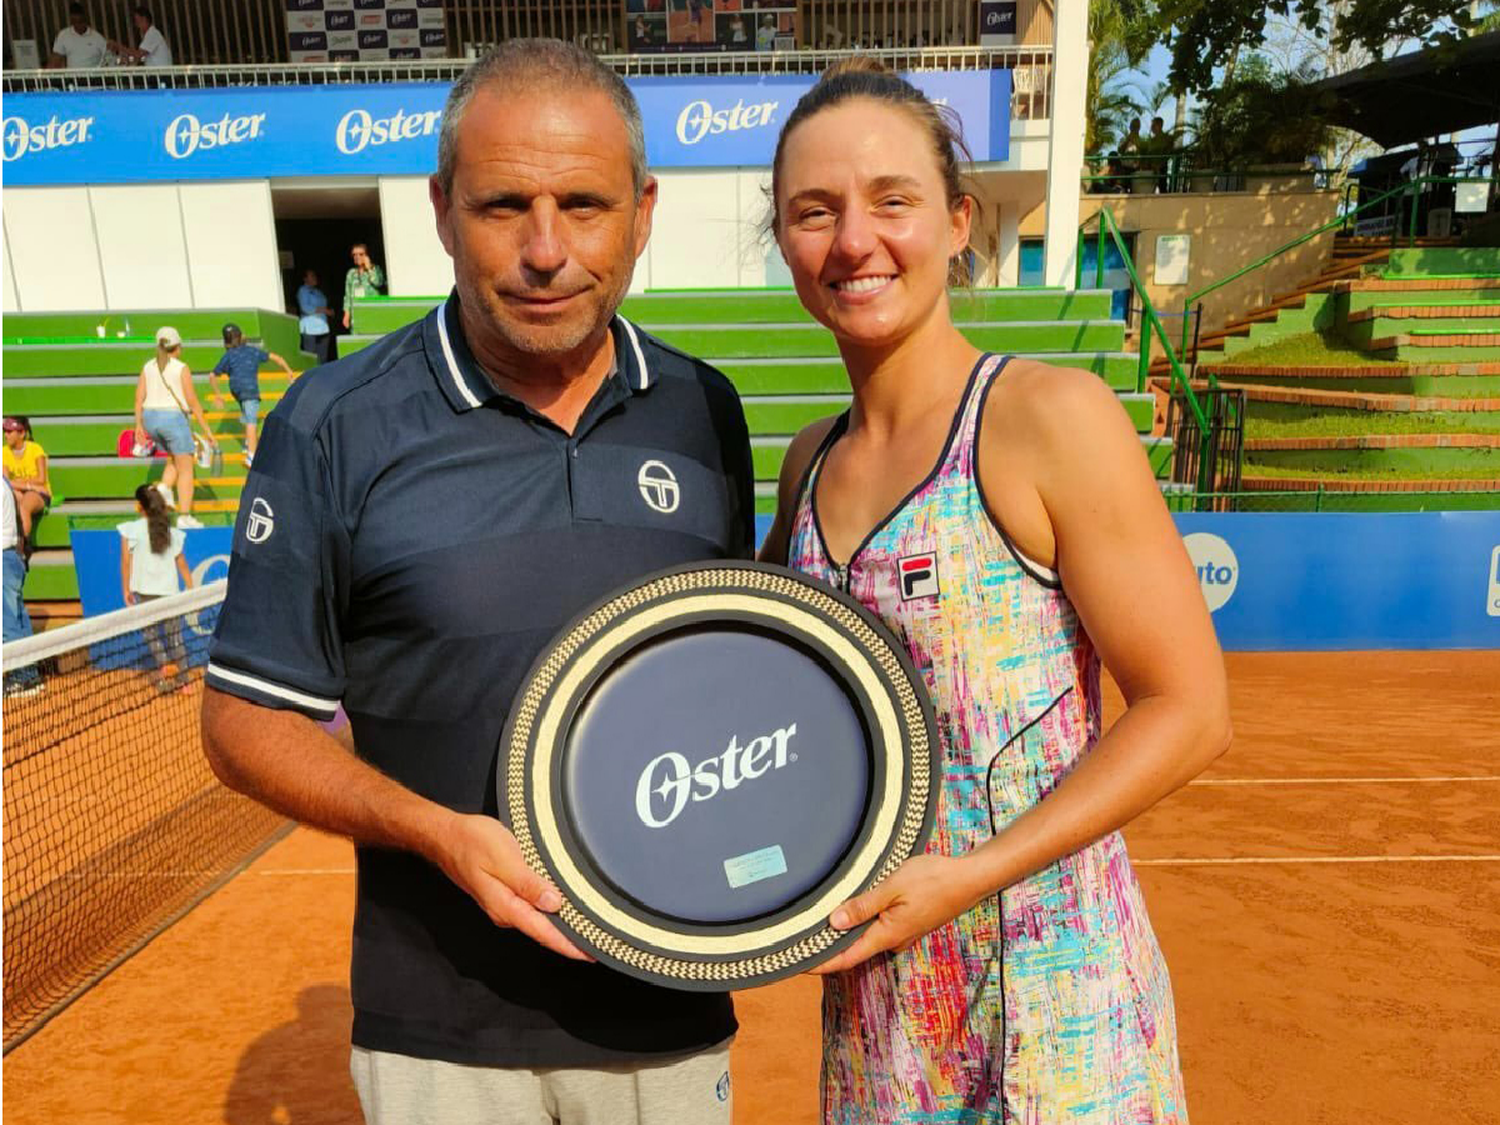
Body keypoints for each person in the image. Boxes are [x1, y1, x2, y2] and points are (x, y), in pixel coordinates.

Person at [202, 39, 754, 1125]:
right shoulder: (330, 425)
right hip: (437, 1038)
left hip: (669, 1016)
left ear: (643, 212)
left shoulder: (706, 411)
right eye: (505, 206)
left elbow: (734, 678)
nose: (546, 250)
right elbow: (242, 721)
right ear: (442, 208)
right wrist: (434, 831)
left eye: (585, 205)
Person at [757, 60, 1231, 1124]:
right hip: (882, 1010)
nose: (853, 242)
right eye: (813, 211)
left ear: (960, 221)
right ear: (783, 240)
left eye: (894, 201)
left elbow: (1190, 710)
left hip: (1058, 1003)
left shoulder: (1047, 416)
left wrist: (972, 875)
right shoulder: (806, 465)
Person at [133, 326, 216, 529]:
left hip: (150, 418)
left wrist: (138, 424)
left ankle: (163, 488)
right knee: (186, 467)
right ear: (177, 347)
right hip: (172, 418)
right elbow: (192, 400)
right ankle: (185, 516)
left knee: (173, 458)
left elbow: (139, 397)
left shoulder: (148, 366)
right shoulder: (181, 368)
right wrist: (207, 430)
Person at [119, 483, 193, 693]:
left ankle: (166, 668)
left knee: (152, 636)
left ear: (140, 506)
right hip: (170, 593)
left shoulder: (130, 530)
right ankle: (184, 681)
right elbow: (182, 563)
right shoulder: (171, 531)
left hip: (144, 592)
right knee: (175, 638)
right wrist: (191, 589)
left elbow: (126, 562)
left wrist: (125, 589)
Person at [209, 323, 296, 469]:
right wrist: (289, 371)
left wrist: (218, 395)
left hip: (236, 390)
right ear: (242, 337)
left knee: (246, 413)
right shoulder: (253, 351)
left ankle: (249, 443)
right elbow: (276, 357)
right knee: (251, 421)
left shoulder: (229, 355)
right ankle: (251, 455)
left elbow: (212, 375)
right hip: (250, 389)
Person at [2, 481, 42, 697]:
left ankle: (21, 678)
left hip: (4, 559)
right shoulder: (4, 483)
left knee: (7, 624)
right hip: (11, 557)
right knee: (18, 619)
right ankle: (30, 675)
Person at [3, 416, 52, 539]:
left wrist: (19, 483)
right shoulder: (3, 452)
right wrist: (29, 485)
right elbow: (5, 482)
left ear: (22, 433)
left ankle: (22, 547)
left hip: (39, 493)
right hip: (21, 490)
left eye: (9, 431)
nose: (5, 435)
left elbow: (41, 480)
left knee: (23, 506)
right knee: (14, 498)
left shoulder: (35, 449)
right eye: (5, 431)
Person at [47, 3, 108, 68]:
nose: (77, 25)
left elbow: (108, 58)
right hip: (73, 77)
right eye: (74, 22)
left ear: (85, 19)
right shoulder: (63, 35)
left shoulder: (97, 38)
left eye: (80, 21)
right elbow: (56, 59)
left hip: (92, 77)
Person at [296, 270, 336, 366]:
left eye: (315, 275)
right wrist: (325, 311)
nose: (314, 278)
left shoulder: (318, 292)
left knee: (323, 358)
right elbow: (305, 308)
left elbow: (324, 304)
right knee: (311, 358)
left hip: (323, 327)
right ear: (305, 279)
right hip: (310, 328)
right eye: (312, 276)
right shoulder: (303, 290)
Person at [341, 243, 385, 330]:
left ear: (367, 255)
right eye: (354, 254)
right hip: (356, 315)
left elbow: (379, 283)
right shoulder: (351, 273)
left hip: (373, 313)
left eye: (361, 254)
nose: (357, 257)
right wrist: (347, 314)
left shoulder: (375, 269)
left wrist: (369, 268)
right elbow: (348, 296)